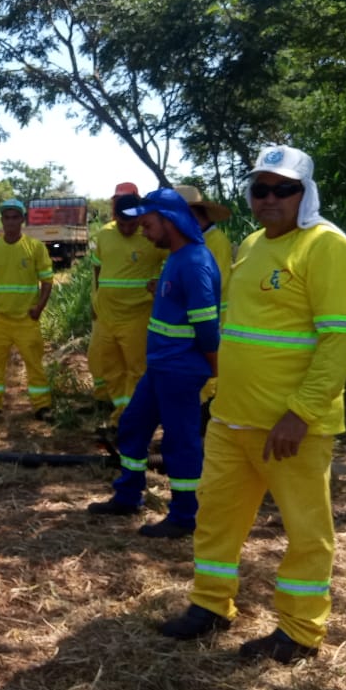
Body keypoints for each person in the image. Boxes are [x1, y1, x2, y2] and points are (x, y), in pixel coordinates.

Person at [158, 145, 346, 664]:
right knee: (216, 517)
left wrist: (300, 413)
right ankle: (210, 606)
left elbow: (340, 338)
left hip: (290, 425)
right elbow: (237, 327)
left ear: (304, 193)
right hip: (232, 416)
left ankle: (299, 632)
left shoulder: (327, 247)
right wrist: (216, 390)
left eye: (283, 189)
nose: (269, 198)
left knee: (305, 532)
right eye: (260, 189)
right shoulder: (250, 244)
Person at [86, 189, 221, 539]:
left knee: (180, 442)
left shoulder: (193, 262)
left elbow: (206, 327)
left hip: (180, 370)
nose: (144, 232)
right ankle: (128, 496)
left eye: (148, 224)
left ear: (170, 220)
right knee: (132, 425)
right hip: (160, 367)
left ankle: (185, 515)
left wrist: (213, 367)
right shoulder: (176, 258)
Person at [87, 183, 168, 423]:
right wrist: (95, 299)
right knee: (109, 368)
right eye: (121, 224)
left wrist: (160, 282)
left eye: (131, 224)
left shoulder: (151, 236)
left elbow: (175, 261)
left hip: (137, 316)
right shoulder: (104, 234)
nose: (126, 229)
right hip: (107, 316)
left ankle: (130, 418)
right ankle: (122, 410)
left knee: (137, 370)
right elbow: (97, 269)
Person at [0, 199, 54, 422]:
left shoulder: (35, 247)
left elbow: (47, 280)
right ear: (1, 221)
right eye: (6, 218)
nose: (10, 222)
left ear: (22, 220)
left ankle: (42, 407)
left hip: (26, 319)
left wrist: (39, 308)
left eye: (15, 217)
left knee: (35, 365)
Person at [176, 184, 234, 405]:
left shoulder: (215, 241)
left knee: (209, 373)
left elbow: (208, 286)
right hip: (201, 318)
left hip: (214, 319)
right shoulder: (197, 241)